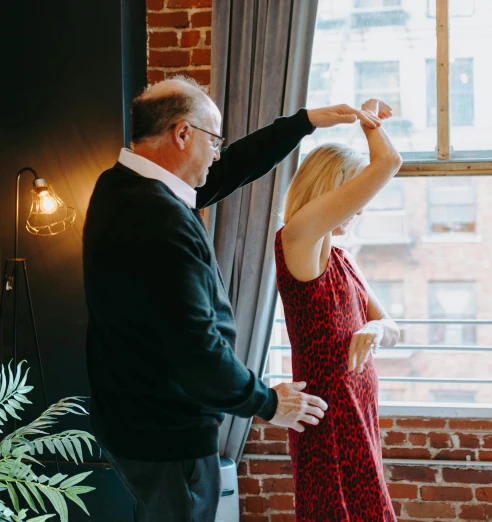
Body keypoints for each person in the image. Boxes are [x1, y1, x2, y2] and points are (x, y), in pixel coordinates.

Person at [82, 76, 382, 522]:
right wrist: (268, 402)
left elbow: (230, 168)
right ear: (182, 134)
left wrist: (304, 122)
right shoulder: (160, 221)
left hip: (130, 417)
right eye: (214, 139)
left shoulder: (121, 186)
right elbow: (196, 348)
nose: (219, 152)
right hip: (166, 432)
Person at [276, 98, 402, 521]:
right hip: (328, 421)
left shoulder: (342, 258)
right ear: (330, 191)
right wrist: (369, 126)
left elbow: (391, 325)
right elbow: (390, 162)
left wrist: (375, 332)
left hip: (359, 410)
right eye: (353, 194)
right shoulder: (297, 240)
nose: (360, 207)